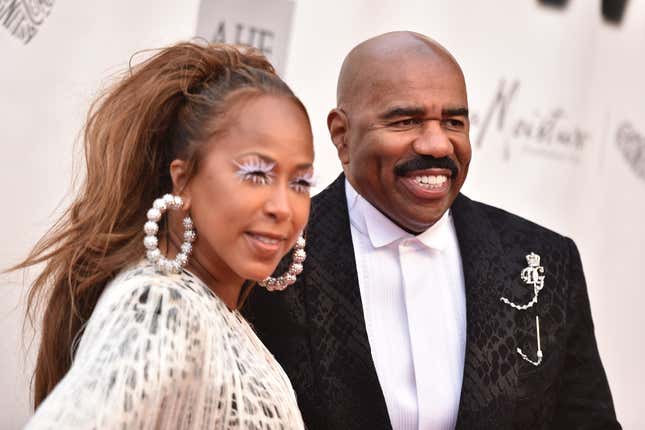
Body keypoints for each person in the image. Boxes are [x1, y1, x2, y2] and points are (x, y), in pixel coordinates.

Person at [245, 31, 621, 429]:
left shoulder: (544, 261)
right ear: (342, 135)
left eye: (453, 122)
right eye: (406, 120)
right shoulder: (270, 259)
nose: (438, 144)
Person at [15, 41, 314, 429]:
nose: (283, 207)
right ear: (183, 180)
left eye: (300, 182)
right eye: (256, 174)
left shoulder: (210, 312)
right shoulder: (162, 305)